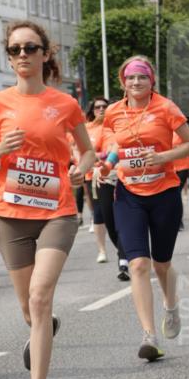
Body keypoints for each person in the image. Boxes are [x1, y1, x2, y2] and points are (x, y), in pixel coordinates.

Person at [0, 21, 95, 379]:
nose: (22, 55)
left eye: (30, 47)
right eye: (14, 49)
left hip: (56, 211)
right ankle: (44, 327)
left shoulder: (65, 104)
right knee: (30, 308)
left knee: (41, 297)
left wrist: (81, 170)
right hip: (11, 217)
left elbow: (88, 152)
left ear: (45, 54)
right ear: (9, 57)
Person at [101, 56, 189, 361]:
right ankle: (149, 335)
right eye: (130, 78)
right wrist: (107, 165)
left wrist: (164, 157)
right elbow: (116, 146)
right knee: (138, 264)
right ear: (122, 82)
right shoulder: (114, 112)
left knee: (161, 263)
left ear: (151, 80)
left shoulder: (166, 107)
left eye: (141, 78)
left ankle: (171, 306)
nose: (136, 83)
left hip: (165, 193)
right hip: (128, 194)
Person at [82, 97, 108, 262]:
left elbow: (113, 151)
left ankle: (124, 253)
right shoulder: (86, 129)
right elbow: (79, 150)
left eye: (104, 106)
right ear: (92, 110)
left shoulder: (113, 127)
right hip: (93, 176)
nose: (101, 109)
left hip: (114, 176)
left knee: (115, 215)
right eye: (97, 107)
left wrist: (96, 155)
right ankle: (102, 250)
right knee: (98, 214)